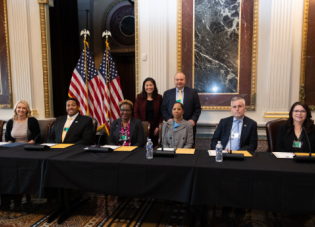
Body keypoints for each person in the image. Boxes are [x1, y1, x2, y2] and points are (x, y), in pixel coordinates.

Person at [2, 100, 41, 210]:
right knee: (6, 170)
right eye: (19, 107)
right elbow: (8, 138)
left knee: (17, 172)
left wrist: (29, 143)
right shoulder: (10, 122)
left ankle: (18, 199)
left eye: (24, 108)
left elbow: (36, 137)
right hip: (13, 150)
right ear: (15, 109)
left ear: (27, 110)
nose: (21, 110)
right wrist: (10, 145)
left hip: (27, 149)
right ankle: (6, 200)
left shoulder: (32, 121)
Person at [134, 78, 163, 147]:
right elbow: (136, 112)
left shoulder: (159, 97)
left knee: (154, 146)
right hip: (142, 126)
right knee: (142, 146)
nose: (149, 87)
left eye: (151, 85)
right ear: (144, 87)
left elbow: (161, 113)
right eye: (147, 85)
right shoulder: (139, 97)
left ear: (154, 86)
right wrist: (144, 125)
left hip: (155, 127)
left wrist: (159, 126)